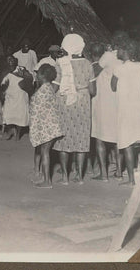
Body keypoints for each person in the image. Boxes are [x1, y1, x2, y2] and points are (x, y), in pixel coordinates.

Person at [53, 34, 95, 185]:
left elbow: (55, 86)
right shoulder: (88, 64)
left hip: (64, 102)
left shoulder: (61, 63)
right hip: (82, 102)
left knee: (64, 139)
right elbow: (93, 91)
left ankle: (64, 178)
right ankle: (79, 177)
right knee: (81, 138)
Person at [111, 38, 140, 186]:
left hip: (126, 110)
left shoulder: (119, 69)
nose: (118, 51)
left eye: (120, 49)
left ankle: (131, 180)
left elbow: (113, 86)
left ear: (126, 52)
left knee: (128, 145)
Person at [91, 45, 123, 182]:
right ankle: (119, 173)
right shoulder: (123, 58)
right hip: (117, 103)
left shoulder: (108, 56)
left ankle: (104, 175)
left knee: (100, 138)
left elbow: (93, 71)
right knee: (118, 138)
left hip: (103, 104)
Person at [29, 64, 64, 188]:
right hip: (52, 127)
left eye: (37, 73)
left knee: (45, 152)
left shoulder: (41, 92)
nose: (36, 75)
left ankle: (47, 182)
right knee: (46, 152)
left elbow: (34, 110)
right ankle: (44, 177)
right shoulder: (49, 87)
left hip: (46, 128)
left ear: (42, 76)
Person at [0, 59, 31, 141]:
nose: (10, 64)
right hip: (10, 97)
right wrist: (3, 94)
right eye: (9, 63)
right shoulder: (7, 74)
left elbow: (30, 79)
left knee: (20, 116)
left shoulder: (22, 70)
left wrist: (23, 75)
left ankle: (18, 135)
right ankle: (10, 131)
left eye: (12, 63)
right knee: (8, 115)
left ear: (15, 63)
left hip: (21, 96)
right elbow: (3, 86)